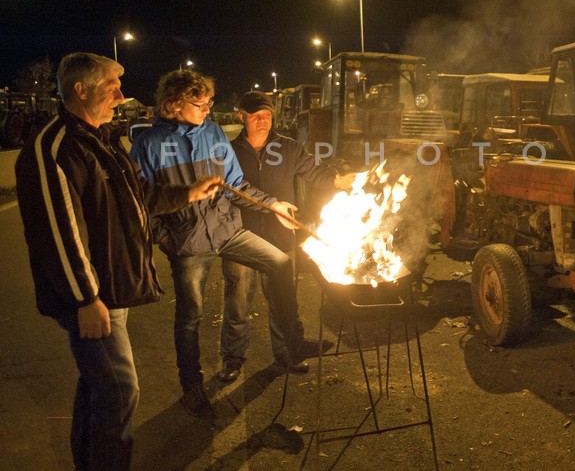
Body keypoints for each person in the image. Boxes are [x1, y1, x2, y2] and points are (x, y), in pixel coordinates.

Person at [15, 53, 220, 471]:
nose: (121, 96)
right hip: (92, 298)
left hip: (111, 289)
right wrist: (85, 299)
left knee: (97, 387)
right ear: (81, 90)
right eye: (112, 87)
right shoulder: (54, 148)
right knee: (119, 391)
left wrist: (188, 193)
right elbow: (59, 234)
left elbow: (139, 197)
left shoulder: (103, 140)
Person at [129, 70, 317, 421]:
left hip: (227, 229)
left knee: (278, 262)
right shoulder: (149, 144)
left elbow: (235, 184)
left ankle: (291, 343)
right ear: (174, 103)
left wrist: (272, 205)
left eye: (209, 102)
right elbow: (139, 200)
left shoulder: (214, 133)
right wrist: (165, 237)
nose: (206, 109)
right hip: (187, 243)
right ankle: (193, 386)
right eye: (198, 103)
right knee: (190, 317)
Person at [217, 91, 354, 383]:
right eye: (255, 115)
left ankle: (288, 352)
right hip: (240, 237)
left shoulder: (289, 148)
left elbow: (314, 171)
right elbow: (229, 188)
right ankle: (233, 358)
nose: (263, 120)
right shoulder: (228, 151)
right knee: (238, 302)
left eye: (267, 115)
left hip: (280, 238)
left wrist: (335, 180)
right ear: (242, 116)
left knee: (283, 300)